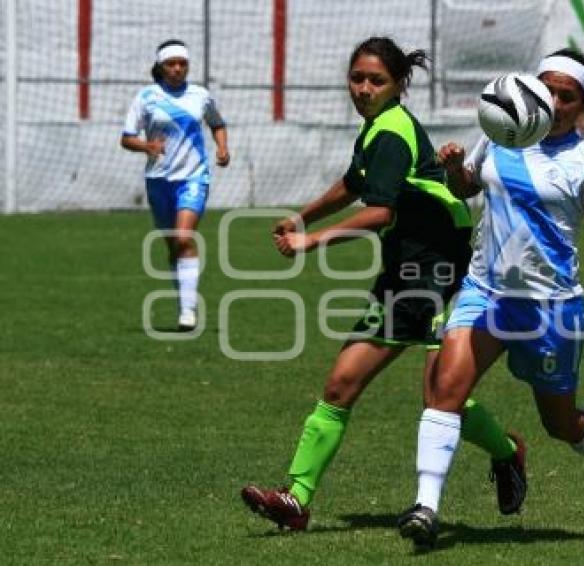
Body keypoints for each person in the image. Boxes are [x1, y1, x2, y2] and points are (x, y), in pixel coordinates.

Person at [240, 36, 526, 532]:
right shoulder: (377, 129)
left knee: (426, 392)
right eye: (357, 78)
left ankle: (506, 453)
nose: (364, 88)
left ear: (398, 86)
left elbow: (380, 210)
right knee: (366, 385)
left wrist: (312, 241)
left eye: (377, 80)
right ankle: (296, 499)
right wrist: (302, 215)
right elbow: (355, 183)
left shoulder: (391, 132)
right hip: (405, 268)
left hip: (437, 269)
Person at [398, 48, 584, 549]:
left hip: (550, 308)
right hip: (484, 293)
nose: (554, 100)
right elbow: (466, 187)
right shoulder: (501, 131)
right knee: (446, 390)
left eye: (566, 95)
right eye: (547, 88)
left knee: (561, 424)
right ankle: (426, 507)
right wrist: (457, 168)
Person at [121, 39, 230, 331]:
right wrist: (147, 146)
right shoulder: (146, 97)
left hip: (194, 177)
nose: (178, 69)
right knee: (173, 245)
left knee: (183, 238)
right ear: (161, 66)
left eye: (183, 63)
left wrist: (222, 148)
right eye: (172, 64)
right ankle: (183, 302)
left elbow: (217, 123)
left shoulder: (200, 96)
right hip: (158, 181)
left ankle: (189, 311)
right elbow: (127, 137)